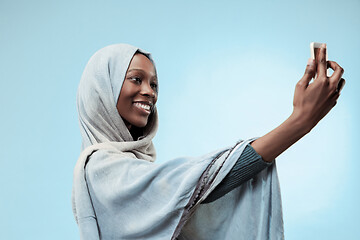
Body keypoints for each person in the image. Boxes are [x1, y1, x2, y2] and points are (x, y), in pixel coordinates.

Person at [72, 43, 345, 240]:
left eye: (154, 84)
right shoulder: (99, 167)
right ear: (102, 91)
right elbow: (209, 182)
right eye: (136, 79)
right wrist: (300, 122)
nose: (149, 92)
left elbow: (194, 190)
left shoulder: (133, 167)